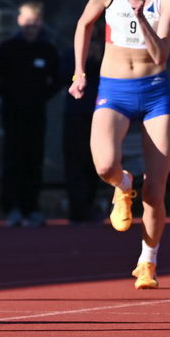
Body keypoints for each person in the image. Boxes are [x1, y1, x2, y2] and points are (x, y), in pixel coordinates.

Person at [69, 0, 170, 290]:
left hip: (155, 93)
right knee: (104, 165)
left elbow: (161, 55)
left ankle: (147, 261)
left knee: (156, 192)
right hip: (114, 89)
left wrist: (139, 16)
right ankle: (123, 183)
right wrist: (79, 72)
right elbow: (84, 25)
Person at [0, 1, 63, 227]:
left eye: (35, 21)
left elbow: (57, 79)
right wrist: (11, 95)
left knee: (34, 160)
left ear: (41, 22)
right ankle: (11, 208)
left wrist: (40, 96)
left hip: (36, 115)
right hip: (12, 115)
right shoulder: (8, 48)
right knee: (12, 160)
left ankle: (32, 208)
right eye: (27, 20)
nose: (31, 25)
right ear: (20, 20)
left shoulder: (47, 49)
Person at [62, 37, 103, 223]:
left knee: (96, 163)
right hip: (76, 116)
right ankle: (77, 209)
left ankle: (89, 205)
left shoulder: (106, 56)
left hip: (100, 115)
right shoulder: (70, 56)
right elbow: (62, 76)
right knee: (75, 162)